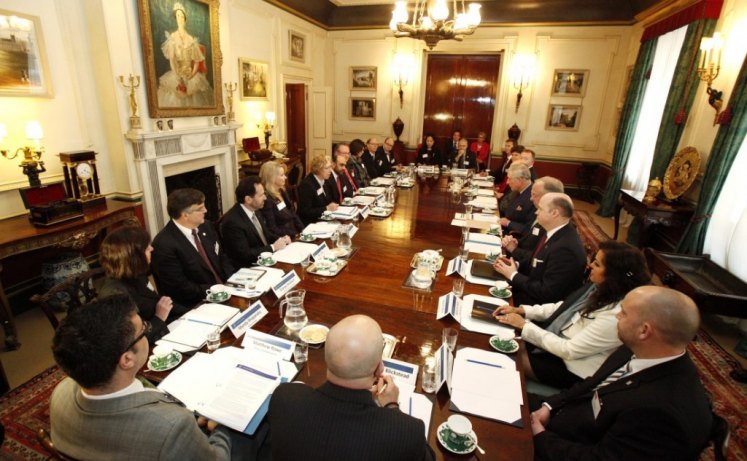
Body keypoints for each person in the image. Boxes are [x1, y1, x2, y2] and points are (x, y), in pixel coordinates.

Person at [49, 295, 251, 460]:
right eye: (143, 330)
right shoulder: (171, 426)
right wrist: (222, 425)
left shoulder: (61, 392)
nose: (147, 332)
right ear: (127, 359)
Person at [531, 286, 713, 461]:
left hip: (565, 445)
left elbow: (599, 458)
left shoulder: (660, 413)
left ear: (644, 331)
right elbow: (591, 384)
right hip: (567, 417)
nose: (617, 315)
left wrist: (540, 436)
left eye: (624, 312)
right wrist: (549, 406)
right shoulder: (636, 349)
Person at [268, 315, 435, 461]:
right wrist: (392, 407)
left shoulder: (284, 397)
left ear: (326, 358)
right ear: (379, 368)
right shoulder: (406, 432)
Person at [494, 241, 651, 388]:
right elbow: (563, 308)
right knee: (502, 335)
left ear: (613, 274)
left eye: (597, 264)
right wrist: (523, 310)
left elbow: (569, 350)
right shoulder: (599, 288)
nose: (590, 266)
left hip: (571, 368)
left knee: (505, 354)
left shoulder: (615, 315)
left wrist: (523, 325)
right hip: (555, 343)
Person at [99, 226, 187, 345]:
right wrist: (159, 317)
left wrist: (191, 313)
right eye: (146, 248)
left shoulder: (136, 273)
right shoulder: (114, 294)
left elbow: (158, 302)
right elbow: (130, 341)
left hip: (166, 329)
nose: (152, 248)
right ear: (133, 257)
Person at [493, 193, 587, 305]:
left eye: (540, 209)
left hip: (535, 304)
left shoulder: (566, 249)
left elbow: (546, 292)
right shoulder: (554, 231)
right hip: (528, 289)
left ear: (555, 213)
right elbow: (537, 260)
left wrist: (513, 275)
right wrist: (516, 265)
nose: (536, 212)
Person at [151, 188, 233, 307]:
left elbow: (222, 256)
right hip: (198, 303)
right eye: (200, 209)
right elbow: (180, 288)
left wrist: (233, 280)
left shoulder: (206, 226)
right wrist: (215, 290)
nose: (206, 210)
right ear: (185, 215)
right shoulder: (164, 245)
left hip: (227, 290)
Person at [221, 176, 291, 268]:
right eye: (261, 195)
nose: (265, 198)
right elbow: (244, 254)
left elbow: (265, 235)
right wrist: (273, 247)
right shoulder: (232, 222)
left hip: (267, 260)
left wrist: (281, 239)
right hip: (251, 267)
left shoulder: (255, 209)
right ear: (248, 199)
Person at [157, 2, 213, 108]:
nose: (180, 18)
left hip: (191, 74)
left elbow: (197, 60)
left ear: (185, 19)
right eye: (178, 16)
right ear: (175, 18)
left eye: (182, 16)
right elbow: (172, 59)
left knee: (197, 98)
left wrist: (192, 74)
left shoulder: (191, 39)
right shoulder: (173, 37)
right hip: (176, 73)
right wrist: (178, 77)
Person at [503, 176, 564, 265]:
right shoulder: (540, 212)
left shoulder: (552, 223)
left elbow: (538, 256)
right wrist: (516, 242)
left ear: (548, 197)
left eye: (534, 195)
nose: (531, 199)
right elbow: (529, 237)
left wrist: (515, 250)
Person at [259, 161, 304, 238]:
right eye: (282, 175)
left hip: (295, 232)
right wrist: (294, 234)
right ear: (272, 177)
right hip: (283, 239)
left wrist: (303, 230)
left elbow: (292, 213)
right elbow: (272, 228)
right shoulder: (267, 200)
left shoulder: (282, 191)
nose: (285, 177)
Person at [297, 154, 339, 224]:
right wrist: (326, 208)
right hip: (312, 223)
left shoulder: (325, 180)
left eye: (330, 167)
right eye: (327, 168)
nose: (330, 171)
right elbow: (305, 211)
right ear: (318, 169)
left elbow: (329, 200)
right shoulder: (307, 185)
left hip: (324, 219)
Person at [499, 163, 535, 236]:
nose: (507, 182)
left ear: (520, 180)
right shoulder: (517, 191)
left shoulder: (533, 197)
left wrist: (508, 223)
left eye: (510, 179)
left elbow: (529, 228)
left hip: (514, 236)